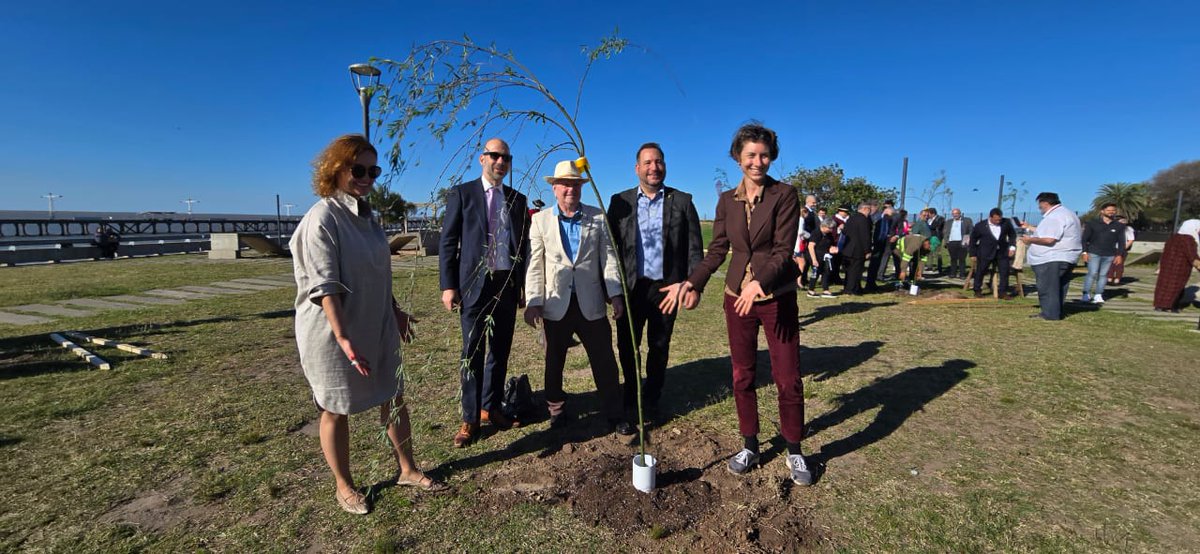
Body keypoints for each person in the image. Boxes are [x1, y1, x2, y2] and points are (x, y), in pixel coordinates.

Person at [291, 134, 444, 515]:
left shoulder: (368, 217)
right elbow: (324, 284)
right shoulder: (323, 217)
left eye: (373, 170)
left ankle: (406, 468)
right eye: (358, 169)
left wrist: (394, 310)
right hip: (332, 331)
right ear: (336, 169)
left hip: (374, 323)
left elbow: (378, 273)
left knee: (393, 394)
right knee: (335, 406)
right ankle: (344, 485)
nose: (366, 177)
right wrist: (342, 337)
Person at [677, 123, 811, 486]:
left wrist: (760, 282)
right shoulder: (726, 202)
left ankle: (794, 448)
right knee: (742, 374)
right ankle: (749, 443)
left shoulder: (784, 195)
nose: (758, 161)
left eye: (764, 154)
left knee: (787, 377)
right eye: (750, 155)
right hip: (737, 300)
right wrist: (695, 282)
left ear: (772, 157)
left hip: (776, 298)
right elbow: (718, 249)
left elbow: (784, 250)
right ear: (738, 158)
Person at [524, 160, 635, 436]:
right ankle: (557, 411)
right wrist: (533, 300)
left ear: (581, 187)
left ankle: (614, 413)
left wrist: (616, 294)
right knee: (554, 361)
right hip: (555, 303)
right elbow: (535, 264)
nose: (569, 189)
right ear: (554, 188)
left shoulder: (597, 217)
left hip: (591, 303)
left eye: (575, 184)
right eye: (564, 184)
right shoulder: (540, 221)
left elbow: (608, 259)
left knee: (605, 360)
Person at [439, 138, 530, 447]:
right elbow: (448, 242)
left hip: (505, 285)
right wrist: (448, 285)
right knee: (472, 353)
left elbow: (523, 248)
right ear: (482, 159)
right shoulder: (462, 194)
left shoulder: (518, 200)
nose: (500, 162)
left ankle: (491, 408)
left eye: (505, 157)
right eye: (495, 156)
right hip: (474, 287)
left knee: (500, 351)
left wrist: (521, 287)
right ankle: (470, 418)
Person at [607, 143, 703, 422]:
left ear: (665, 166)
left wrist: (693, 285)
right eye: (648, 163)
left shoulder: (682, 201)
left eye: (658, 162)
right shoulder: (620, 202)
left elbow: (694, 248)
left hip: (667, 289)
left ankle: (652, 398)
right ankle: (632, 396)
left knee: (659, 346)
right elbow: (611, 247)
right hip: (631, 288)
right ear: (637, 168)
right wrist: (611, 289)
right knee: (627, 346)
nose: (654, 167)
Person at [1020, 192, 1083, 320]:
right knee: (1058, 287)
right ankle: (1056, 311)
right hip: (1067, 256)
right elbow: (1049, 232)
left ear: (1045, 203)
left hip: (1052, 258)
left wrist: (1030, 240)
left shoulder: (1054, 217)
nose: (1040, 209)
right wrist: (1030, 227)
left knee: (1048, 287)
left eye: (1040, 206)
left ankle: (1049, 314)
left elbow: (1049, 239)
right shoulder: (1068, 214)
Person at [1079, 203, 1127, 304]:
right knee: (1092, 273)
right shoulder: (1092, 223)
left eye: (1113, 210)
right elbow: (1084, 239)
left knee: (1103, 275)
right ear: (1102, 211)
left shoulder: (1119, 226)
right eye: (1109, 210)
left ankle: (1098, 294)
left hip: (1109, 254)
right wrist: (1084, 252)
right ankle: (1086, 293)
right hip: (1094, 252)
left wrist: (1119, 255)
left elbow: (1122, 242)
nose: (1111, 212)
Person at [1152, 219, 1200, 312]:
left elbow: (1164, 252)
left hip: (1167, 266)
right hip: (1180, 268)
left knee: (1163, 285)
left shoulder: (1173, 237)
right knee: (1176, 286)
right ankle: (1172, 306)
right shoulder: (1188, 240)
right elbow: (1192, 256)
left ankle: (1159, 305)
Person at [968, 208, 1016, 298]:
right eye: (996, 219)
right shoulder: (980, 225)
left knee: (1004, 271)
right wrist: (973, 253)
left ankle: (1003, 292)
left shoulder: (1006, 223)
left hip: (1002, 252)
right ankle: (977, 290)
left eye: (1000, 219)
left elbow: (1012, 235)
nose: (998, 221)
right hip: (985, 252)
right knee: (981, 271)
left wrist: (1012, 247)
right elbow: (973, 240)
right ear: (990, 217)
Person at [839, 201, 873, 295]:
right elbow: (865, 236)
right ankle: (852, 289)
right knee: (856, 271)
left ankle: (849, 287)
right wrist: (867, 250)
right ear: (865, 209)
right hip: (858, 249)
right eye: (869, 210)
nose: (869, 212)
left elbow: (845, 231)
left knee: (849, 271)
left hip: (848, 248)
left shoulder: (851, 218)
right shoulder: (863, 220)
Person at [867, 200, 895, 288]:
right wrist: (878, 242)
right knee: (874, 263)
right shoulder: (879, 219)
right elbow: (881, 232)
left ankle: (872, 281)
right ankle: (870, 282)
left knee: (876, 263)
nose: (891, 217)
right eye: (891, 214)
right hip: (877, 243)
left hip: (881, 244)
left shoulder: (886, 219)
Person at [806, 218, 837, 298]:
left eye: (832, 228)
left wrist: (832, 249)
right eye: (829, 228)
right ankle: (811, 290)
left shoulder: (829, 235)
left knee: (826, 272)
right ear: (824, 226)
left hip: (825, 256)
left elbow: (830, 245)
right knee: (815, 272)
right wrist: (814, 260)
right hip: (815, 255)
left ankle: (825, 290)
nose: (831, 230)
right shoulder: (816, 233)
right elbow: (811, 246)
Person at [942, 208, 973, 279]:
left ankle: (962, 274)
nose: (955, 215)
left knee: (962, 259)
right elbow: (945, 231)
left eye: (956, 213)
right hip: (951, 242)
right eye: (953, 214)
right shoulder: (949, 222)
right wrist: (946, 240)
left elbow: (971, 231)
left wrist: (967, 240)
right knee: (953, 259)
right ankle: (953, 273)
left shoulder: (967, 221)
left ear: (960, 213)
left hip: (962, 242)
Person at [1108, 216, 1135, 285]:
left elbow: (1131, 239)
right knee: (1111, 264)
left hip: (1122, 249)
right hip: (1112, 248)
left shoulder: (1128, 229)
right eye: (1121, 220)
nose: (1123, 222)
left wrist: (1124, 248)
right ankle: (1109, 278)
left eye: (1124, 220)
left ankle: (1117, 279)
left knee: (1119, 264)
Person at [926, 207, 945, 274]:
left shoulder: (940, 219)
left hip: (936, 238)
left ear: (933, 213)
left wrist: (927, 226)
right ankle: (929, 266)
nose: (927, 215)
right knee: (929, 252)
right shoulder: (928, 219)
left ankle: (939, 267)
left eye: (928, 214)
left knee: (937, 253)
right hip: (929, 237)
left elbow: (938, 226)